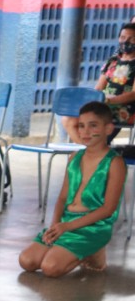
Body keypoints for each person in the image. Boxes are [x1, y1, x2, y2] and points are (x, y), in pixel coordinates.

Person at [19, 101, 126, 277]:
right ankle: (72, 250)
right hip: (66, 222)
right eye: (81, 126)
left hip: (93, 227)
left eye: (93, 126)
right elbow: (62, 198)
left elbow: (108, 209)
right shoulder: (74, 157)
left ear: (108, 129)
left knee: (50, 268)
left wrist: (67, 227)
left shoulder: (115, 163)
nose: (85, 132)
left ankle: (94, 251)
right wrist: (55, 226)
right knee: (27, 261)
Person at [63, 23, 135, 144]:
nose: (125, 41)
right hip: (103, 104)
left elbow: (134, 94)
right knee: (68, 120)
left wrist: (111, 100)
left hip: (124, 107)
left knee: (92, 123)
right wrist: (94, 100)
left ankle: (92, 150)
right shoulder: (113, 61)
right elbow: (99, 87)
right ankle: (90, 149)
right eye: (122, 37)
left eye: (131, 39)